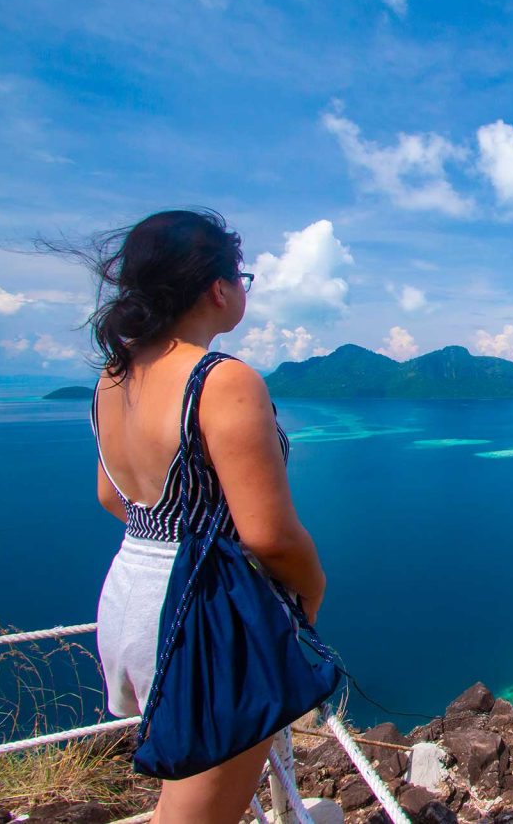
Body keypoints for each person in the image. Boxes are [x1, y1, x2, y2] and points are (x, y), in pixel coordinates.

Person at [65, 209, 327, 823]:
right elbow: (268, 534)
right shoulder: (221, 379)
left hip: (132, 589)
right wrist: (311, 592)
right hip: (202, 611)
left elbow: (112, 498)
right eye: (243, 277)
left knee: (179, 796)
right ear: (218, 287)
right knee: (199, 816)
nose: (243, 290)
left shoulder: (112, 374)